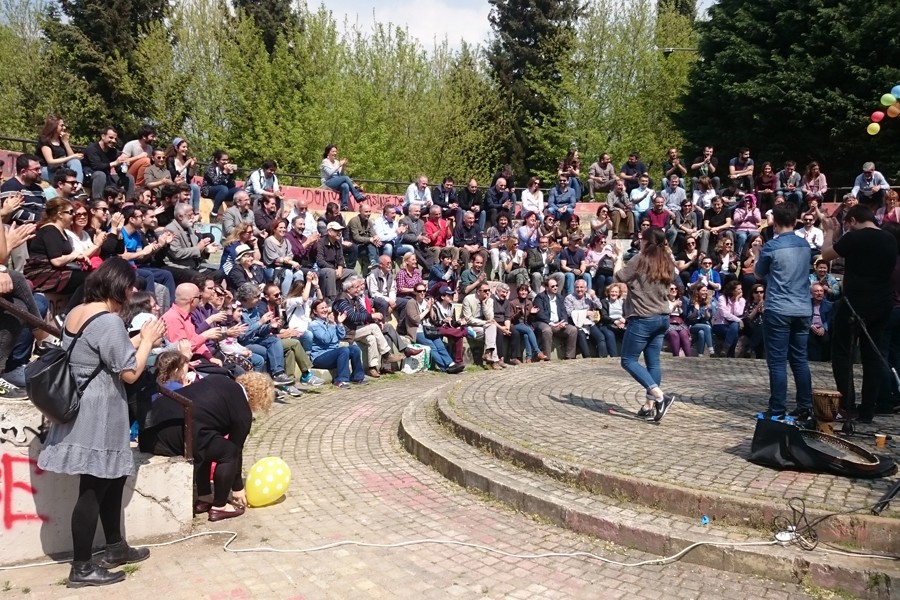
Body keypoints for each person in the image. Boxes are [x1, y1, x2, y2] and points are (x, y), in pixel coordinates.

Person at [38, 258, 166, 587]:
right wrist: (149, 340)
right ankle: (81, 569)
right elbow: (130, 371)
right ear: (117, 286)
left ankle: (115, 547)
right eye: (130, 285)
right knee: (93, 490)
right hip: (99, 414)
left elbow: (99, 352)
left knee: (109, 480)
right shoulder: (108, 321)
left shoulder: (79, 311)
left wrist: (135, 340)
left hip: (84, 408)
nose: (133, 291)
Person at [820, 205, 897, 423]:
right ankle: (867, 411)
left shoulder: (855, 238)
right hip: (882, 303)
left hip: (854, 303)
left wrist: (828, 232)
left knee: (843, 353)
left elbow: (826, 254)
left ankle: (846, 405)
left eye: (847, 224)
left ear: (853, 220)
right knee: (872, 355)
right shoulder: (890, 238)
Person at [754, 202, 813, 420]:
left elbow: (759, 275)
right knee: (800, 358)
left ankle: (777, 409)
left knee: (777, 361)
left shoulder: (771, 246)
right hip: (803, 308)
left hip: (779, 307)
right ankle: (805, 406)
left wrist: (756, 252)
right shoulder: (805, 245)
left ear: (775, 223)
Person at [614, 226, 676, 421]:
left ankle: (659, 397)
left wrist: (618, 257)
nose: (639, 241)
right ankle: (649, 407)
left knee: (628, 360)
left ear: (647, 241)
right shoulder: (667, 261)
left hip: (643, 318)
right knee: (653, 362)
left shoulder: (640, 259)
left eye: (642, 239)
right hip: (662, 318)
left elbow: (619, 277)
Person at [307, 298, 367, 388]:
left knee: (354, 349)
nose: (324, 310)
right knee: (343, 350)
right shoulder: (314, 325)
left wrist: (339, 323)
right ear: (315, 311)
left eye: (325, 307)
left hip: (334, 354)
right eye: (321, 308)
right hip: (320, 358)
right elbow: (325, 339)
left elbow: (341, 336)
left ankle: (357, 377)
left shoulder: (329, 322)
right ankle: (341, 380)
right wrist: (332, 325)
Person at [36, 114, 84, 184]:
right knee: (65, 175)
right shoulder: (45, 141)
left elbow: (73, 158)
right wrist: (72, 156)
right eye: (61, 125)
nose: (64, 127)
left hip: (60, 167)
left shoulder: (61, 139)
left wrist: (66, 142)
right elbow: (50, 161)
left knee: (75, 162)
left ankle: (78, 184)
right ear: (54, 126)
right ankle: (72, 185)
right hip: (47, 169)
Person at [320, 145, 365, 210]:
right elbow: (330, 173)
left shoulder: (337, 162)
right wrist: (339, 165)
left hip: (336, 181)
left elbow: (341, 175)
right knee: (346, 178)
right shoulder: (325, 161)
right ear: (328, 152)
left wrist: (343, 166)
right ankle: (357, 196)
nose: (335, 153)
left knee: (345, 185)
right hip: (328, 182)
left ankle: (344, 206)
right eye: (333, 151)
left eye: (335, 151)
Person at [201, 149, 240, 220]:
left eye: (227, 160)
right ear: (217, 160)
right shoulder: (210, 168)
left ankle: (237, 214)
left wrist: (231, 174)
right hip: (210, 190)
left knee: (239, 191)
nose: (226, 162)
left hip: (223, 192)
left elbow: (232, 186)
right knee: (223, 188)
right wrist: (224, 172)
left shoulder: (227, 170)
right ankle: (214, 213)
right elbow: (216, 182)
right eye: (223, 160)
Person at [165, 138, 200, 212]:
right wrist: (185, 164)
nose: (186, 149)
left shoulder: (185, 159)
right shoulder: (170, 160)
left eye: (186, 147)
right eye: (183, 147)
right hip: (176, 184)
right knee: (189, 189)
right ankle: (188, 211)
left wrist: (192, 167)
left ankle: (196, 211)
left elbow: (189, 177)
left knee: (195, 187)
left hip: (185, 184)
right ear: (176, 148)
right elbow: (173, 174)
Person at [807, 282, 833, 362]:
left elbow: (830, 319)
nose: (819, 293)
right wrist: (811, 325)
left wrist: (823, 328)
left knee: (826, 339)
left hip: (823, 329)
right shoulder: (807, 304)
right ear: (811, 293)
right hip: (810, 329)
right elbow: (804, 318)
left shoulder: (829, 305)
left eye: (821, 291)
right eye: (816, 291)